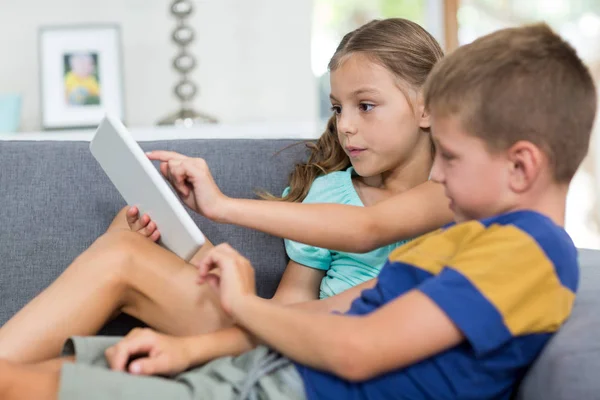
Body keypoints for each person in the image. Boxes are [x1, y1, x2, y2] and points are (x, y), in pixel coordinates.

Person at [0, 22, 594, 400]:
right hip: (274, 359)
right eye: (339, 108)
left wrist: (224, 222)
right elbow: (327, 311)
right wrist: (195, 342)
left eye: (453, 154)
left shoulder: (509, 243)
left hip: (286, 375)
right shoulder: (463, 240)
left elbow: (363, 265)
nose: (440, 174)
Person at [0, 18, 452, 363]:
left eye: (366, 106)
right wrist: (202, 259)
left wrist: (221, 206)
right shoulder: (330, 191)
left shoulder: (452, 190)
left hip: (341, 348)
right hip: (286, 336)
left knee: (123, 258)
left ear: (427, 107)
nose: (345, 125)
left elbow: (366, 229)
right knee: (121, 251)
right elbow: (290, 307)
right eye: (337, 108)